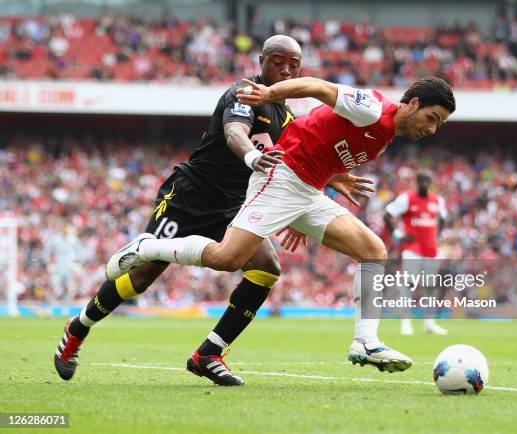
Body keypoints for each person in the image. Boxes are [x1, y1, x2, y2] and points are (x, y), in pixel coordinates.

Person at [54, 35, 369, 386]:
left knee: (267, 268)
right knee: (143, 276)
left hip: (234, 205)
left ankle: (209, 353)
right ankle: (77, 328)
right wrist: (252, 155)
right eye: (279, 62)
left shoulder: (288, 114)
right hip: (191, 194)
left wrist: (329, 180)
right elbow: (235, 133)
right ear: (261, 61)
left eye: (294, 66)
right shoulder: (244, 92)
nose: (286, 70)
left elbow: (299, 164)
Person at [106, 75, 456, 378]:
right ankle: (147, 247)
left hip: (308, 191)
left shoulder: (386, 134)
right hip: (281, 178)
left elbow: (322, 142)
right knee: (227, 258)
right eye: (432, 117)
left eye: (439, 124)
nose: (432, 128)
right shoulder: (373, 108)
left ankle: (366, 342)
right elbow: (318, 87)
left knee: (373, 251)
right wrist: (268, 95)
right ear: (412, 103)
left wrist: (329, 184)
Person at [384, 170, 450, 335]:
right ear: (417, 181)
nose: (425, 184)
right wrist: (398, 234)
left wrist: (437, 235)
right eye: (422, 180)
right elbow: (387, 215)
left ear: (431, 182)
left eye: (428, 181)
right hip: (412, 248)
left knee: (430, 286)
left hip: (430, 249)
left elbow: (444, 218)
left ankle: (429, 323)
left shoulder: (437, 200)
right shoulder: (407, 198)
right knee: (409, 284)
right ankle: (406, 323)